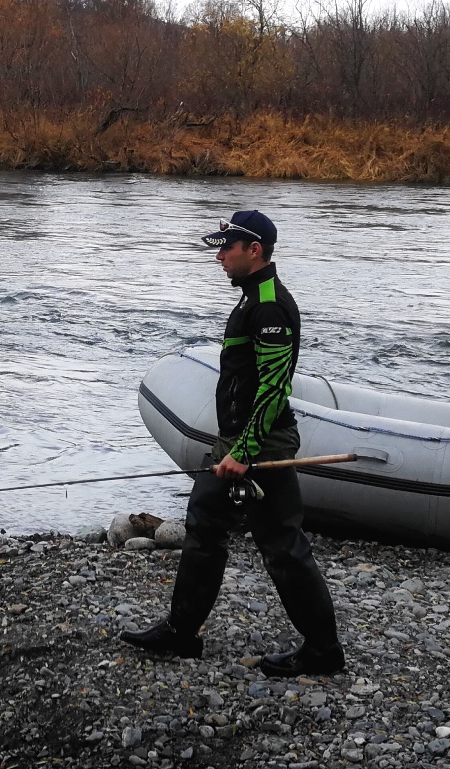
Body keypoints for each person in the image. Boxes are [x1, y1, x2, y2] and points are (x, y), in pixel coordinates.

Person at [121, 210, 344, 677]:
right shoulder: (248, 300)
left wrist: (244, 451)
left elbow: (274, 386)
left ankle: (323, 651)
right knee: (203, 525)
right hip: (235, 441)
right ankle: (181, 633)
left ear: (254, 250)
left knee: (281, 543)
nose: (220, 256)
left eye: (227, 248)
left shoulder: (271, 306)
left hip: (261, 446)